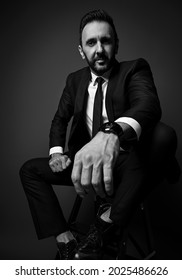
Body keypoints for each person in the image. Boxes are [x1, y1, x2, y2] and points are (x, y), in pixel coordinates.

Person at [20, 9, 162, 260]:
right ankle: (66, 241)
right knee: (29, 170)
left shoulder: (134, 69)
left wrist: (111, 132)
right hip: (82, 162)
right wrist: (56, 153)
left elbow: (147, 105)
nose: (99, 49)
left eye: (105, 41)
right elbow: (60, 119)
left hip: (125, 162)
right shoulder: (74, 80)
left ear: (115, 44)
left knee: (160, 139)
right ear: (81, 50)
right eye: (91, 42)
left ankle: (104, 228)